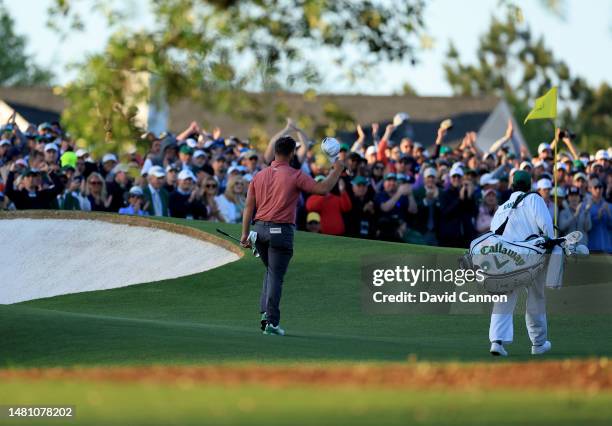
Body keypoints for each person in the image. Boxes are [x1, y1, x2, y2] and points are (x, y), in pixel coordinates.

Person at [240, 135, 344, 336]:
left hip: (259, 230)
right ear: (291, 153)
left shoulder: (259, 175)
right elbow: (322, 189)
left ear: (275, 152)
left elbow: (248, 207)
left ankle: (264, 317)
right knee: (276, 276)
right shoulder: (295, 174)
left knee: (270, 272)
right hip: (281, 232)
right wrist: (337, 169)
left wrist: (245, 234)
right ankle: (271, 322)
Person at [488, 170, 554, 357]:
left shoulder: (502, 207)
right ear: (529, 185)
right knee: (536, 298)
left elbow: (494, 235)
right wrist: (551, 244)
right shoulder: (534, 198)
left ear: (512, 185)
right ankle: (538, 343)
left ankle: (497, 342)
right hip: (531, 257)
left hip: (506, 259)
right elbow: (546, 226)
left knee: (504, 299)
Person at [586, 179, 612, 253]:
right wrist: (598, 216)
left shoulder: (609, 206)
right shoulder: (586, 206)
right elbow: (586, 227)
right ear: (590, 189)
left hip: (608, 248)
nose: (598, 190)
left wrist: (609, 213)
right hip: (592, 248)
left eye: (600, 187)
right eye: (596, 187)